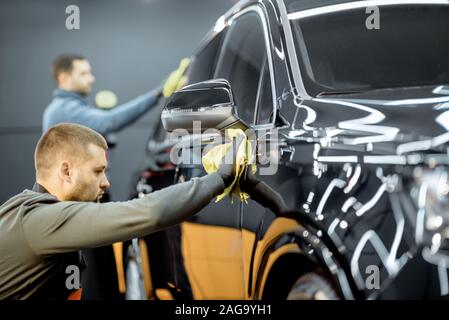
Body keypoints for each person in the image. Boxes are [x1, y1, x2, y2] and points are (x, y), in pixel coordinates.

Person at [0, 123, 237, 299]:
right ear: (66, 172)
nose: (106, 182)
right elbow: (150, 213)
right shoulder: (39, 220)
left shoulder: (48, 218)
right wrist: (218, 179)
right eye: (97, 171)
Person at [43, 54, 188, 134]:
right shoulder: (65, 110)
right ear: (63, 78)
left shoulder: (67, 107)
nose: (91, 79)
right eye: (83, 74)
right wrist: (157, 93)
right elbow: (109, 122)